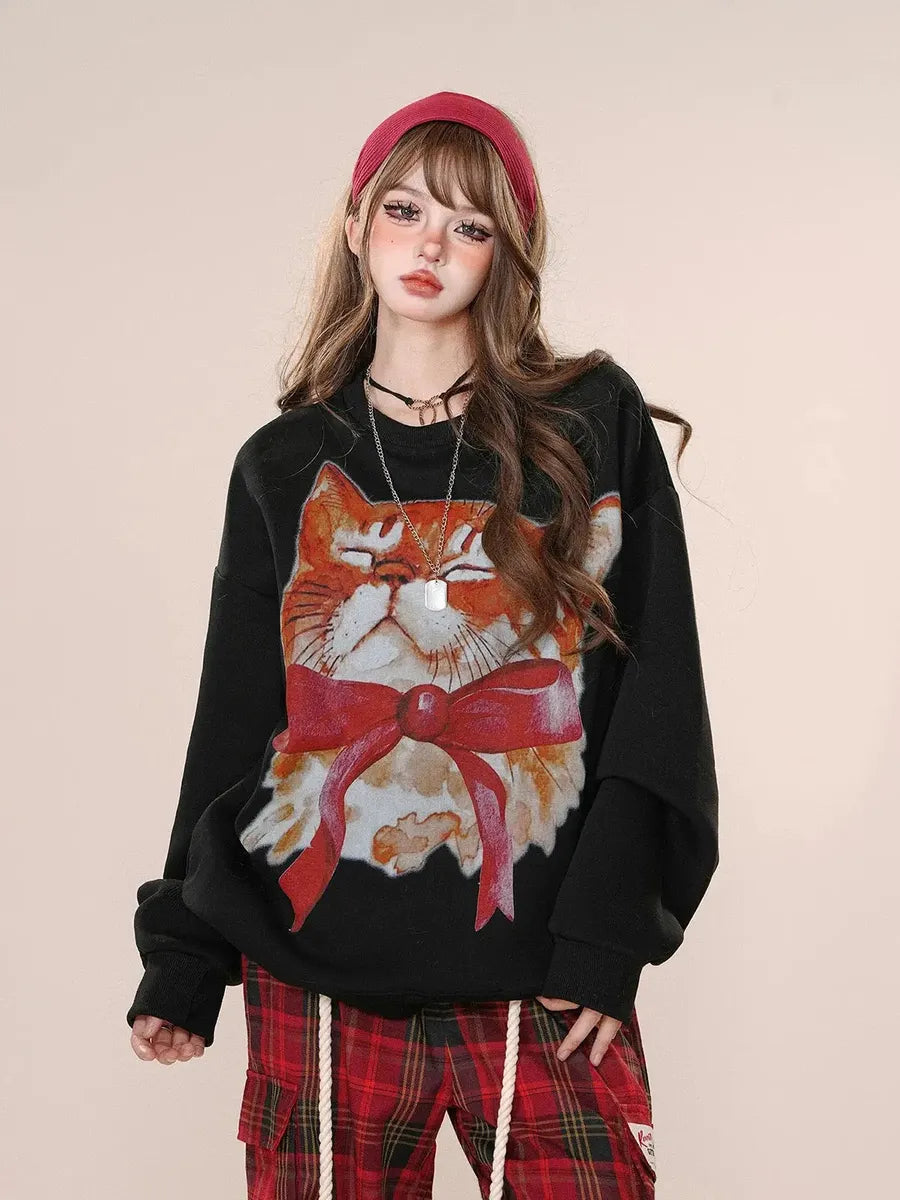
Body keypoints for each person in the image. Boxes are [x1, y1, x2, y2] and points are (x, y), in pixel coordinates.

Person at [126, 90, 719, 1200]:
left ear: (506, 253)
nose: (430, 246)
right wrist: (185, 956)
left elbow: (660, 691)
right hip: (313, 970)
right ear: (357, 226)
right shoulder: (284, 462)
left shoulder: (587, 421)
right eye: (404, 210)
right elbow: (239, 715)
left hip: (543, 971)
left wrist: (609, 934)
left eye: (468, 223)